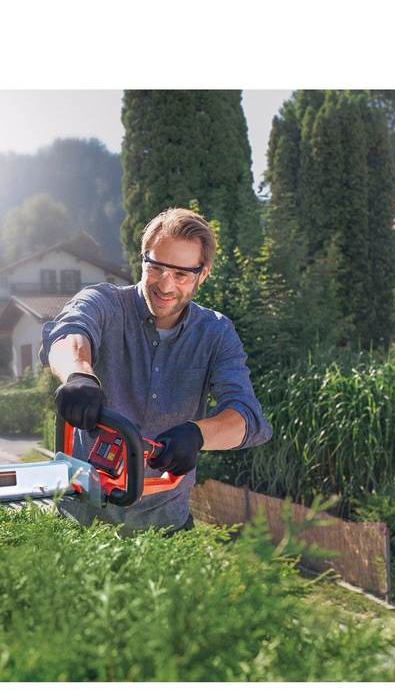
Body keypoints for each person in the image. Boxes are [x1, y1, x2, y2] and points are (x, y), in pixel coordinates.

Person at [40, 207, 271, 534]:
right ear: (142, 260)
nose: (165, 285)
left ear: (202, 275)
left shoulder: (216, 333)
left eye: (181, 274)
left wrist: (198, 434)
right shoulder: (103, 302)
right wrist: (78, 375)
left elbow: (247, 418)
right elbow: (69, 334)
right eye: (157, 267)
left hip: (166, 526)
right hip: (82, 522)